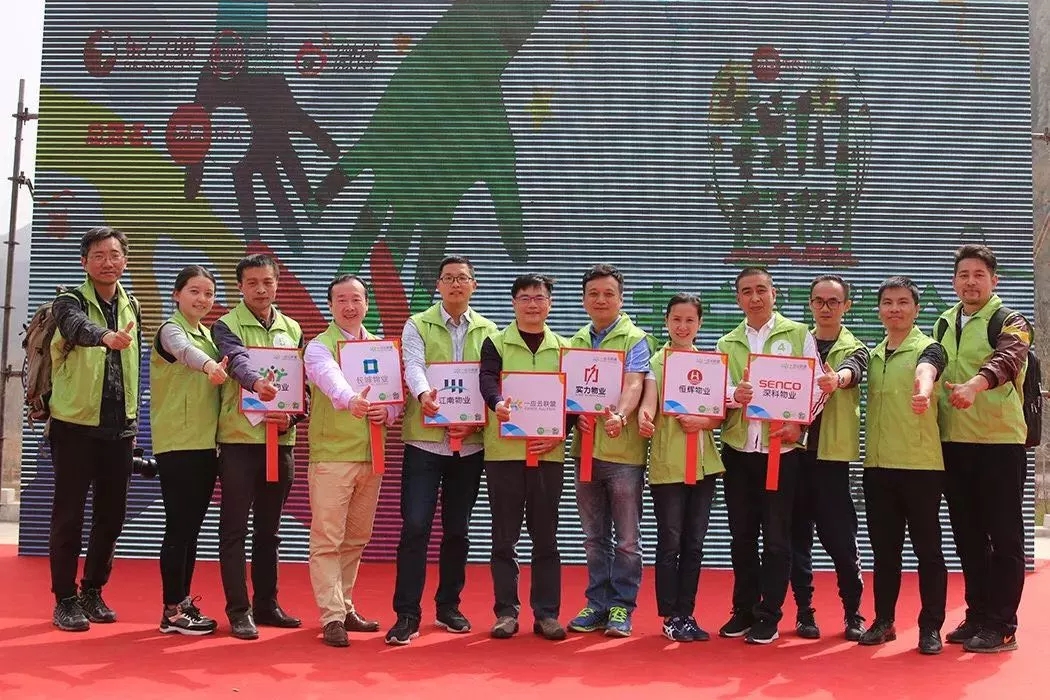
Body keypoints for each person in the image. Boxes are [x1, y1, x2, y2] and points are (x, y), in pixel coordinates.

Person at [387, 256, 498, 645]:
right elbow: (413, 366)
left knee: (458, 530)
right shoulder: (418, 324)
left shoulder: (490, 331)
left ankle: (449, 606)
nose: (455, 284)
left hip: (469, 445)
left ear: (474, 285)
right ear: (437, 284)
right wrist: (423, 395)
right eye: (448, 278)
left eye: (462, 278)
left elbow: (492, 381)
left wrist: (476, 422)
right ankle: (407, 613)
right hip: (425, 442)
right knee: (415, 526)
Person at [715, 267, 825, 645]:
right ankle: (743, 609)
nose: (755, 298)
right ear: (738, 299)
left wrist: (800, 425)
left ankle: (769, 614)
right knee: (742, 536)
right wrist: (734, 396)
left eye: (761, 290)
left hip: (782, 451)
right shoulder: (727, 342)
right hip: (739, 452)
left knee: (777, 538)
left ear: (774, 293)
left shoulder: (798, 334)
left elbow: (817, 387)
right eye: (747, 292)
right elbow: (715, 391)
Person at [48, 226, 142, 632]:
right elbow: (75, 327)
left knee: (112, 516)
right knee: (68, 516)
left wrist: (133, 418)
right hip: (74, 426)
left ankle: (92, 591)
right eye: (99, 255)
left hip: (119, 428)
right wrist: (105, 336)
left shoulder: (132, 303)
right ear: (84, 262)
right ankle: (64, 599)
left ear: (125, 261)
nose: (108, 262)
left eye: (115, 254)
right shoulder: (69, 300)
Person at [937, 245, 1030, 653]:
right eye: (963, 275)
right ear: (954, 281)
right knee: (968, 535)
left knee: (1004, 536)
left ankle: (1002, 624)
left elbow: (1009, 358)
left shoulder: (1010, 320)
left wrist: (976, 385)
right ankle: (977, 614)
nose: (970, 282)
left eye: (979, 275)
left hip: (998, 443)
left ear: (994, 280)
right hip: (955, 443)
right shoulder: (943, 321)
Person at [305, 274, 401, 648]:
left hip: (370, 456)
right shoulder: (319, 346)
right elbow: (329, 378)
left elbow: (395, 399)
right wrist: (351, 400)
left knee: (356, 538)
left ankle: (345, 606)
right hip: (332, 457)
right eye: (342, 300)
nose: (350, 306)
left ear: (366, 303)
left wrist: (387, 413)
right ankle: (331, 616)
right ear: (330, 305)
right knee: (327, 539)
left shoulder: (380, 348)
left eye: (356, 299)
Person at [212, 253, 304, 640]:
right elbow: (237, 361)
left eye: (267, 282)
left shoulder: (292, 328)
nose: (260, 289)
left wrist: (292, 418)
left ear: (277, 284)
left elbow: (301, 387)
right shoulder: (226, 325)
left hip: (280, 442)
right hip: (240, 442)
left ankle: (267, 604)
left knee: (270, 531)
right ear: (240, 287)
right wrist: (256, 384)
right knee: (234, 529)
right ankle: (239, 610)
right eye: (252, 283)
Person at [858, 276, 947, 656]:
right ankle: (884, 621)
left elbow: (928, 371)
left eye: (903, 302)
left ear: (916, 308)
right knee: (884, 552)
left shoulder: (929, 348)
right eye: (888, 302)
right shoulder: (873, 354)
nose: (895, 309)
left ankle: (931, 627)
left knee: (929, 550)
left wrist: (923, 392)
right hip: (878, 467)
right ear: (879, 310)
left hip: (920, 466)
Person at [479, 274, 570, 641]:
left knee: (546, 536)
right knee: (504, 536)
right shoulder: (496, 342)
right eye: (525, 298)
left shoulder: (565, 347)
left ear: (550, 303)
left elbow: (574, 400)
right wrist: (496, 402)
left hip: (548, 454)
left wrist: (560, 433)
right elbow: (487, 380)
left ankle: (547, 613)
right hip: (505, 453)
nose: (533, 304)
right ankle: (506, 612)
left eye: (539, 297)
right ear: (513, 303)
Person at [566, 264, 651, 638]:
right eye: (593, 294)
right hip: (584, 451)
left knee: (628, 539)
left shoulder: (635, 339)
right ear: (584, 300)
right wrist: (572, 417)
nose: (601, 300)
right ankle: (597, 604)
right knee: (592, 536)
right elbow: (565, 392)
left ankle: (621, 607)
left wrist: (620, 414)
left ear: (621, 298)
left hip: (623, 454)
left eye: (608, 294)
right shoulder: (575, 341)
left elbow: (634, 384)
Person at [637, 293, 724, 642]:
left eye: (690, 320)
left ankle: (687, 613)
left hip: (704, 465)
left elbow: (718, 415)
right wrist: (645, 418)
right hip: (669, 465)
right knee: (670, 541)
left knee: (695, 543)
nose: (682, 326)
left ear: (699, 324)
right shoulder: (656, 363)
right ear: (666, 322)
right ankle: (670, 616)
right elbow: (648, 401)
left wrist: (703, 421)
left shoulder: (710, 363)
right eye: (676, 319)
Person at [151, 265, 228, 635]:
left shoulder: (209, 334)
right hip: (178, 442)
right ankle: (171, 610)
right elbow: (184, 353)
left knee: (192, 528)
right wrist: (210, 365)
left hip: (206, 443)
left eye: (209, 293)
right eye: (194, 291)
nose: (202, 299)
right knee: (179, 526)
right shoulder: (171, 329)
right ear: (176, 294)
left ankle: (181, 603)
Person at [789, 275, 867, 641]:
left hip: (831, 460)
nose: (825, 307)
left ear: (846, 306)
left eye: (833, 301)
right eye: (819, 301)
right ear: (810, 304)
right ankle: (804, 613)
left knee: (841, 541)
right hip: (792, 455)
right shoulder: (796, 345)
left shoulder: (855, 347)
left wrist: (839, 379)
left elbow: (854, 371)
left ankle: (854, 613)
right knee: (796, 539)